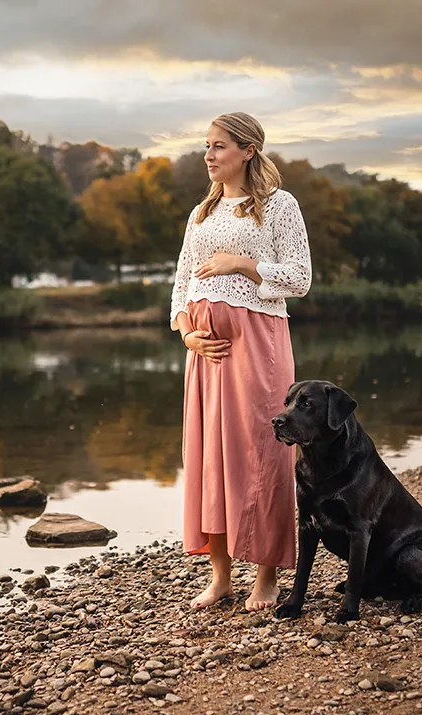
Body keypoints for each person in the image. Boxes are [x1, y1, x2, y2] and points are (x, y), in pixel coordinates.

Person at [170, 112, 312, 611]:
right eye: (206, 146)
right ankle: (221, 574)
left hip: (259, 343)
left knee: (261, 450)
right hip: (206, 353)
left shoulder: (278, 206)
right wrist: (188, 333)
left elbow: (299, 278)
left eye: (219, 146)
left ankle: (267, 575)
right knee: (211, 455)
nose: (208, 155)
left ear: (248, 150)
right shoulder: (201, 213)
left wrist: (242, 264)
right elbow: (183, 282)